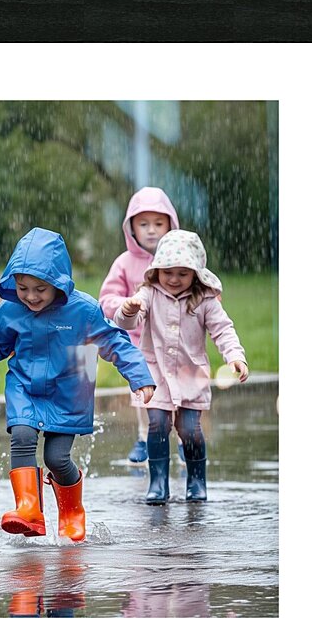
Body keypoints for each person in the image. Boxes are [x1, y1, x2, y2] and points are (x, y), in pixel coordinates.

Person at [0, 228, 155, 542]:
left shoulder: (83, 310)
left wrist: (140, 377)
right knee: (23, 435)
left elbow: (114, 342)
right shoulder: (11, 310)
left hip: (69, 393)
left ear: (59, 282)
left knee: (56, 457)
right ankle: (29, 509)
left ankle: (71, 511)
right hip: (24, 387)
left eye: (40, 288)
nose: (30, 296)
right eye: (23, 287)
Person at [114, 229, 248, 505]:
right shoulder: (148, 293)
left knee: (189, 428)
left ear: (196, 274)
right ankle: (158, 481)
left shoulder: (205, 300)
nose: (174, 279)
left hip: (190, 373)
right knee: (158, 424)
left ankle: (197, 479)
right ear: (158, 270)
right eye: (168, 272)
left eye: (182, 274)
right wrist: (128, 310)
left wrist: (235, 355)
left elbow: (223, 330)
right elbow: (129, 323)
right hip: (155, 374)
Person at [98, 186, 182, 465]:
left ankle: (184, 438)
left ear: (171, 223)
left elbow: (200, 282)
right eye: (143, 224)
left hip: (176, 340)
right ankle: (144, 438)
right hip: (138, 341)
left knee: (182, 389)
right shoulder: (124, 263)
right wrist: (124, 305)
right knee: (144, 389)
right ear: (131, 227)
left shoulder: (181, 259)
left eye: (158, 223)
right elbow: (106, 298)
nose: (151, 230)